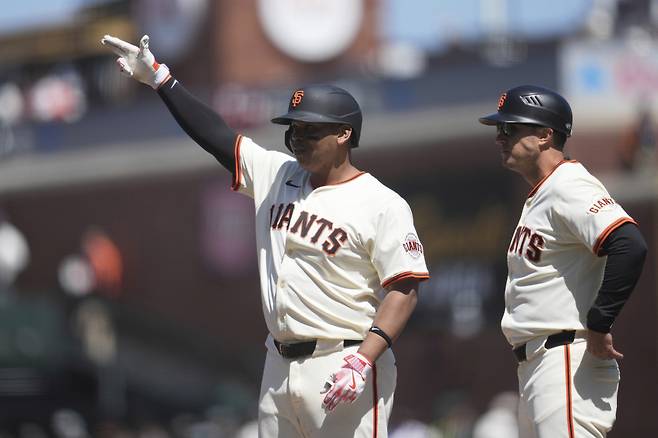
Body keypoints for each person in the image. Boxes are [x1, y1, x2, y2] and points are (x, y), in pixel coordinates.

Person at [100, 34, 429, 437]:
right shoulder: (278, 174)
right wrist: (161, 80)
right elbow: (217, 136)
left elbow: (404, 287)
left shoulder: (381, 203)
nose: (297, 140)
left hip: (343, 358)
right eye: (294, 130)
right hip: (277, 364)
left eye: (310, 131)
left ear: (343, 135)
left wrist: (365, 360)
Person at [478, 85, 647, 438]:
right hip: (543, 361)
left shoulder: (569, 185)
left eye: (510, 128)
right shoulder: (543, 193)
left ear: (544, 135)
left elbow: (629, 244)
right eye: (498, 129)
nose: (500, 137)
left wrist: (601, 322)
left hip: (566, 355)